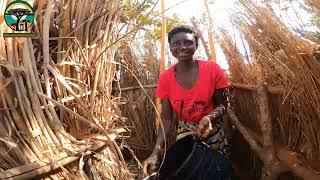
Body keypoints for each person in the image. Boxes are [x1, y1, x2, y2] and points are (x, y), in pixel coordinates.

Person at [143, 25, 231, 178]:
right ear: (170, 47)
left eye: (188, 42)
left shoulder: (212, 70)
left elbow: (224, 104)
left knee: (217, 170)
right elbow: (166, 118)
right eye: (176, 43)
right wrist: (155, 152)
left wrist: (209, 118)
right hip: (186, 131)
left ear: (196, 45)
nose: (182, 47)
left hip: (212, 128)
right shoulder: (166, 78)